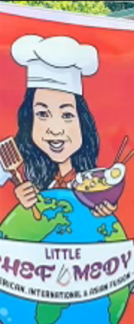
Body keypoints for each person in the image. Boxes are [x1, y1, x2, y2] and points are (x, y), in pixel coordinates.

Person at [9, 34, 115, 217]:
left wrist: (102, 216)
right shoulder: (27, 173)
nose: (56, 129)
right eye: (42, 114)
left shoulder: (91, 185)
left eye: (67, 115)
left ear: (82, 123)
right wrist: (21, 203)